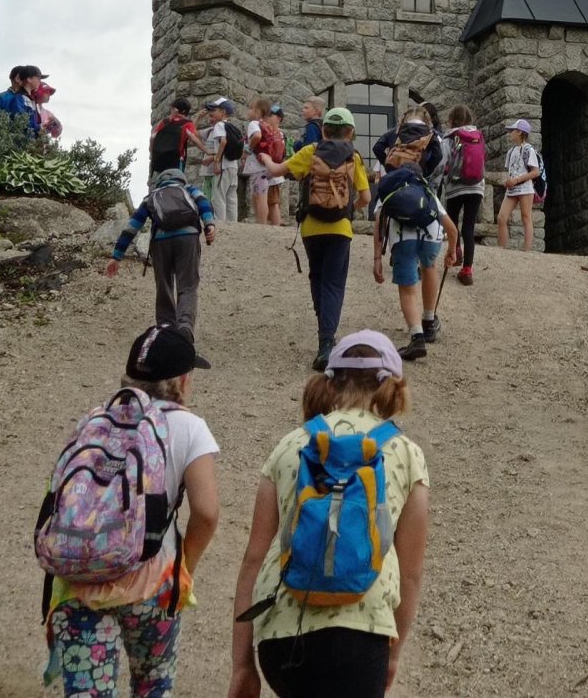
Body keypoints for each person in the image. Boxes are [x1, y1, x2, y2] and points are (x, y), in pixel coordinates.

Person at [227, 332, 429, 698]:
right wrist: (394, 653)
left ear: (330, 383)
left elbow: (253, 559)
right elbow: (411, 574)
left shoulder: (290, 445)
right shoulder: (406, 453)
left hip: (282, 638)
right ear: (392, 386)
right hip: (362, 638)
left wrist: (242, 665)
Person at [41, 325, 219, 698]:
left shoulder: (96, 422)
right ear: (182, 381)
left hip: (79, 579)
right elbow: (206, 512)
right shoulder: (190, 428)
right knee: (153, 682)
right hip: (152, 584)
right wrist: (184, 568)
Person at [266, 106, 371, 370]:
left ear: (323, 130)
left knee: (317, 277)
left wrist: (264, 157)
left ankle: (323, 333)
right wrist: (347, 209)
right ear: (350, 133)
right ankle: (326, 343)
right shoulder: (354, 157)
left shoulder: (310, 152)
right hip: (341, 230)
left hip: (311, 228)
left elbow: (276, 171)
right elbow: (366, 197)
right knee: (334, 285)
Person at [372, 124, 460, 361]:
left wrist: (377, 258)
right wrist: (452, 251)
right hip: (431, 235)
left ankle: (416, 337)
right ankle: (429, 320)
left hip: (403, 238)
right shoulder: (425, 189)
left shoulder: (391, 187)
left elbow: (379, 221)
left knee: (408, 287)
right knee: (429, 267)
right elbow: (452, 228)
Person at [106, 169, 216, 340]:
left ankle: (166, 328)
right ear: (181, 179)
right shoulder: (188, 189)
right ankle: (185, 326)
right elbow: (203, 203)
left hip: (160, 242)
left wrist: (116, 256)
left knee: (164, 286)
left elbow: (132, 226)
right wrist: (209, 223)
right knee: (187, 286)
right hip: (188, 238)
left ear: (159, 182)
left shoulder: (151, 196)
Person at [443, 104, 486, 286]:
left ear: (452, 120)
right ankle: (467, 270)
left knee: (452, 223)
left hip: (455, 187)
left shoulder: (451, 137)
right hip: (476, 188)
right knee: (469, 227)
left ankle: (456, 253)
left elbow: (442, 162)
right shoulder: (478, 136)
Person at [497, 120, 542, 251]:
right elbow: (511, 171)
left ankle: (526, 250)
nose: (510, 133)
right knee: (501, 218)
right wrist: (508, 180)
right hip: (512, 189)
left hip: (525, 188)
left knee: (526, 217)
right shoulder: (511, 151)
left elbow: (535, 172)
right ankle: (502, 249)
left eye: (512, 131)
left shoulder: (529, 150)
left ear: (520, 132)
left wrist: (517, 180)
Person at [242, 98, 284, 227]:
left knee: (260, 196)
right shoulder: (270, 126)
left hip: (259, 167)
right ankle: (274, 226)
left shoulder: (254, 124)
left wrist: (248, 149)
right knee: (270, 200)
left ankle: (261, 224)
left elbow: (257, 136)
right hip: (270, 166)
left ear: (258, 111)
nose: (249, 111)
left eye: (251, 108)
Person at [205, 97, 241, 225]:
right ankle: (233, 225)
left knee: (218, 196)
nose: (211, 112)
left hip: (224, 166)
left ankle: (220, 224)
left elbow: (223, 141)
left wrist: (216, 161)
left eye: (214, 110)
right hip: (233, 166)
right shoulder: (232, 126)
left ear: (223, 112)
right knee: (231, 197)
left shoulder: (220, 125)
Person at [149, 97, 206, 175]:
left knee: (162, 180)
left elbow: (152, 137)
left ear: (175, 110)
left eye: (172, 109)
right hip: (176, 160)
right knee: (176, 180)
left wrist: (152, 153)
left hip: (160, 160)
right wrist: (207, 151)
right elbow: (193, 138)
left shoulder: (164, 122)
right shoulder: (187, 123)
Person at [0, 63, 43, 136]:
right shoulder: (3, 97)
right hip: (11, 137)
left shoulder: (31, 97)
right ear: (17, 78)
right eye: (24, 76)